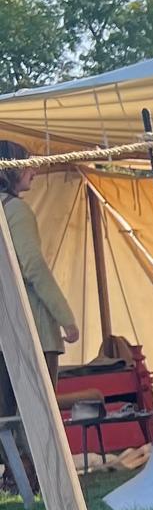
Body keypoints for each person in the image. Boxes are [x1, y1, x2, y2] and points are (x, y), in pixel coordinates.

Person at [0, 141, 78, 441]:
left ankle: (14, 473)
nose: (33, 170)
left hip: (6, 329)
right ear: (10, 170)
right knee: (38, 409)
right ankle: (35, 472)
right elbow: (33, 266)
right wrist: (65, 317)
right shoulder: (15, 210)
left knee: (6, 413)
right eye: (26, 164)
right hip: (29, 326)